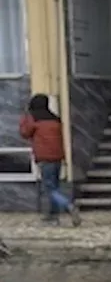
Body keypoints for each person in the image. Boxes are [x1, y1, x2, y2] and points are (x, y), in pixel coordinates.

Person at [19, 94, 81, 226]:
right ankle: (53, 216)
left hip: (44, 158)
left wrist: (24, 117)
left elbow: (25, 133)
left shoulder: (34, 119)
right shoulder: (55, 119)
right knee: (55, 187)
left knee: (50, 189)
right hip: (57, 157)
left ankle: (69, 206)